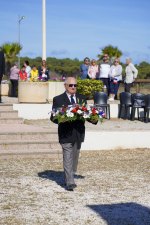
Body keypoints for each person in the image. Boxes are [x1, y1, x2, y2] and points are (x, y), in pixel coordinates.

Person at [50, 76, 88, 191]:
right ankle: (70, 182)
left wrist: (94, 118)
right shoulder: (58, 99)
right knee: (67, 156)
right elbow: (53, 117)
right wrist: (62, 118)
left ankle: (70, 173)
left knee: (75, 157)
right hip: (65, 133)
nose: (73, 87)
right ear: (65, 86)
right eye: (71, 85)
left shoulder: (82, 98)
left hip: (78, 133)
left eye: (75, 85)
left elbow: (87, 114)